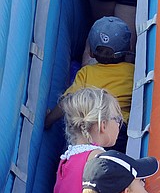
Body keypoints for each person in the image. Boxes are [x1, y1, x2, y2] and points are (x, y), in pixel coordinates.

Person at [51, 87, 155, 193]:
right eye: (117, 119)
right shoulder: (98, 158)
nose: (119, 124)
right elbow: (123, 187)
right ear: (103, 125)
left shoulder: (67, 157)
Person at [46, 17, 134, 152]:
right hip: (119, 128)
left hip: (91, 128)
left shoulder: (87, 72)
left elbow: (69, 101)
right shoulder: (132, 71)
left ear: (91, 52)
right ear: (128, 49)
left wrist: (49, 120)